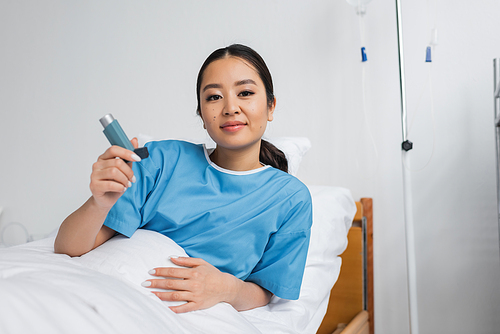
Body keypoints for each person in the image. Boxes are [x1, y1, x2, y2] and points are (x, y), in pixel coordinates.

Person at [54, 44, 312, 314]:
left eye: (245, 93)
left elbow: (265, 292)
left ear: (271, 106)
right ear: (201, 114)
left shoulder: (291, 198)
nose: (230, 108)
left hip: (192, 316)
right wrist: (99, 203)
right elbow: (69, 249)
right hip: (112, 299)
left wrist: (226, 288)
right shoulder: (159, 160)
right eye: (214, 97)